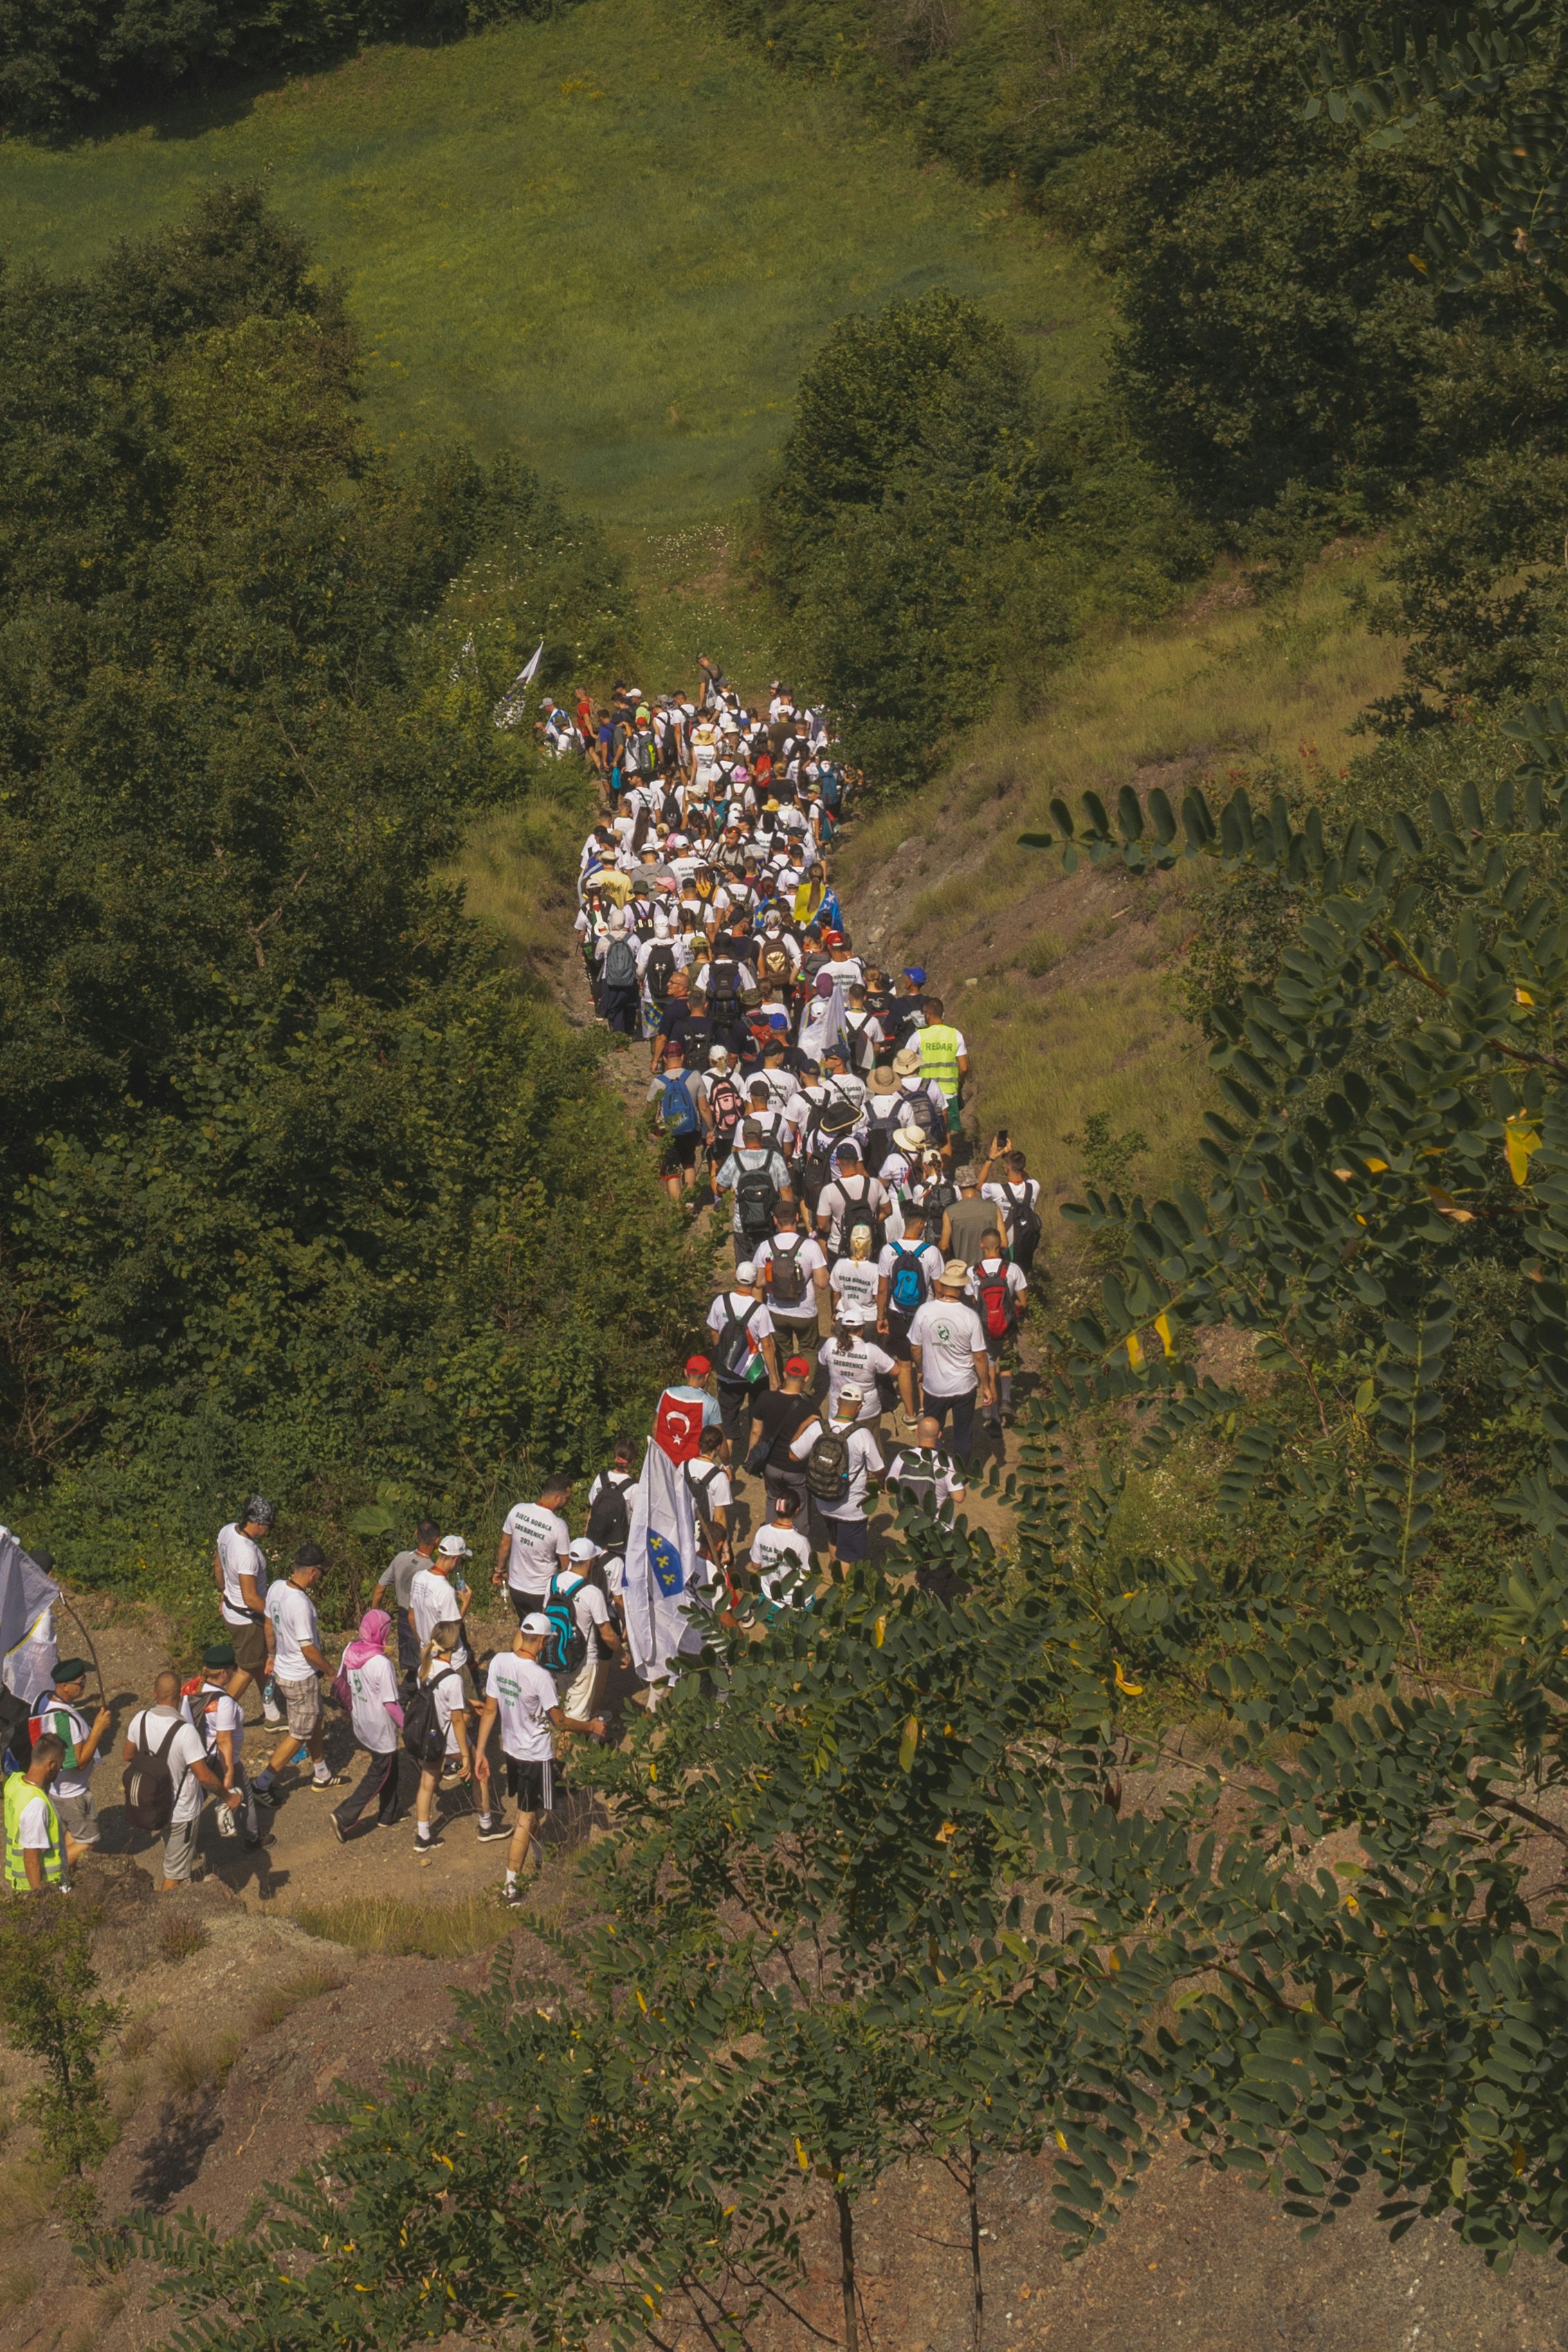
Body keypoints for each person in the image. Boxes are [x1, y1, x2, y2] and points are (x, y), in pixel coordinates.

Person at [473, 1614, 605, 1903]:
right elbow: (560, 1721)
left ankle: (541, 1856)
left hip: (512, 1751)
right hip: (536, 1756)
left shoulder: (498, 1663)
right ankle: (510, 1888)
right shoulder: (540, 1676)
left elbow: (491, 1710)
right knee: (527, 1815)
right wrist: (591, 1726)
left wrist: (481, 1752)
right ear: (544, 1641)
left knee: (531, 1808)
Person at [122, 1670, 235, 1892]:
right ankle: (165, 1916)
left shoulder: (140, 1719)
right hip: (181, 1812)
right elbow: (204, 1776)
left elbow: (127, 1755)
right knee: (173, 1876)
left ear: (154, 1694)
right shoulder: (185, 1732)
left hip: (154, 1803)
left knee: (175, 1859)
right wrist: (228, 1796)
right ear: (180, 1696)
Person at [254, 1545, 343, 1802]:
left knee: (314, 1721)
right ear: (313, 1572)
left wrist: (271, 1655)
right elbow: (309, 1650)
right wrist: (331, 1672)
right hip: (300, 1676)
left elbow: (269, 1624)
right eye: (321, 1572)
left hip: (284, 1667)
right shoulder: (300, 1603)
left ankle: (322, 1773)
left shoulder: (276, 1588)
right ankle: (262, 1783)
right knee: (299, 1733)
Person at [331, 1609, 407, 1841]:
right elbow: (391, 1705)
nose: (390, 1633)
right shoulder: (381, 1664)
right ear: (381, 1632)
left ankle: (388, 1813)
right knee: (379, 1773)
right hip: (380, 1727)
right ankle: (345, 1816)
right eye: (388, 1630)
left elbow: (344, 1682)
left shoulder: (351, 1651)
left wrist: (346, 1709)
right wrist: (409, 1727)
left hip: (361, 1720)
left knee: (389, 1766)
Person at [789, 1387, 886, 1565]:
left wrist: (803, 1426)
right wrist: (883, 1483)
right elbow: (878, 1469)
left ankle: (836, 1580)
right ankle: (846, 1591)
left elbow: (793, 1454)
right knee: (850, 1558)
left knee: (834, 1539)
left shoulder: (818, 1427)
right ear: (859, 1408)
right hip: (851, 1508)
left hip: (823, 1502)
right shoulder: (862, 1434)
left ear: (838, 1402)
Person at [909, 1264, 994, 1463]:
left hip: (934, 1385)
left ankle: (929, 1469)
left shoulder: (925, 1311)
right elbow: (980, 1356)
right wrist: (987, 1386)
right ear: (963, 1287)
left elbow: (915, 1347)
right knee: (963, 1434)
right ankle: (960, 1475)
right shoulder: (970, 1317)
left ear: (944, 1283)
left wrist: (922, 1369)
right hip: (963, 1386)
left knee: (931, 1430)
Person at [181, 1643, 262, 1848]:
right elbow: (224, 1739)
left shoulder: (191, 1689)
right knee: (244, 1797)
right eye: (234, 1669)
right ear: (225, 1673)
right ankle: (253, 1838)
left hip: (197, 1755)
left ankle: (182, 1838)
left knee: (194, 1798)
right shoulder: (224, 1702)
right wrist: (228, 1774)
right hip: (222, 1759)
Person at [29, 1657, 111, 1857]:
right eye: (80, 1683)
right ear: (64, 1686)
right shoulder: (65, 1721)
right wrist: (98, 1729)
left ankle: (67, 1881)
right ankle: (59, 1870)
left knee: (74, 1835)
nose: (85, 1686)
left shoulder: (44, 1700)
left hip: (64, 1789)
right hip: (71, 1794)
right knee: (90, 1841)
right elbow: (80, 1762)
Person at [877, 1204, 945, 1424]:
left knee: (905, 1364)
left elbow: (882, 1289)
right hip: (924, 1314)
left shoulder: (889, 1251)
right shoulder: (931, 1252)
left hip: (898, 1314)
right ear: (921, 1225)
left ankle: (909, 1413)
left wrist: (881, 1316)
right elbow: (940, 1289)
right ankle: (926, 1408)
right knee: (924, 1363)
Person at [412, 1619, 473, 1855]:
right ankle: (488, 1820)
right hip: (449, 1739)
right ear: (455, 1646)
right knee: (479, 1770)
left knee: (427, 1784)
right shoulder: (454, 1679)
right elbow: (457, 1720)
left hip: (430, 1736)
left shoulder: (424, 1669)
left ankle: (423, 1834)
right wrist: (465, 1755)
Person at [553, 1535, 625, 1729]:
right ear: (590, 1562)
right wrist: (622, 1654)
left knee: (568, 1706)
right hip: (584, 1660)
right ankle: (561, 1758)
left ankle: (578, 1750)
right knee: (572, 1721)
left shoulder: (555, 1581)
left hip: (559, 1654)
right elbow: (608, 1634)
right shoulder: (592, 1593)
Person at [706, 1263, 780, 1451]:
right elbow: (767, 1345)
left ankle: (726, 1462)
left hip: (727, 1371)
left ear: (735, 1277)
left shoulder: (720, 1301)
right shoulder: (760, 1310)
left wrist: (723, 1354)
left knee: (728, 1416)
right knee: (757, 1414)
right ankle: (752, 1457)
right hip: (755, 1371)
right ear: (756, 1282)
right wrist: (774, 1377)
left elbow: (714, 1332)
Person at [214, 1497, 273, 1706]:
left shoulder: (227, 1531)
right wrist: (277, 1614)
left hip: (232, 1610)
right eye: (268, 1524)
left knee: (259, 1663)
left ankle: (273, 1711)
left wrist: (224, 1591)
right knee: (246, 1670)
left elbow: (219, 1567)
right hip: (248, 1620)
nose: (269, 1529)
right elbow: (250, 1598)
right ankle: (216, 1715)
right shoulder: (247, 1552)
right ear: (257, 1523)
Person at [745, 1354, 819, 1516]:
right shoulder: (811, 1409)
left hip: (771, 1466)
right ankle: (797, 1537)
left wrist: (751, 1454)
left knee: (773, 1499)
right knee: (800, 1504)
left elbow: (756, 1431)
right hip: (797, 1469)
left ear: (784, 1374)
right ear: (806, 1378)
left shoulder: (765, 1398)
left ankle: (772, 1536)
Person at [967, 1230, 1028, 1424]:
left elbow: (975, 1301)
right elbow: (1023, 1302)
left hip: (984, 1329)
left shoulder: (973, 1271)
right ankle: (1006, 1401)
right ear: (1001, 1245)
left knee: (990, 1365)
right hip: (1008, 1327)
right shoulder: (1013, 1269)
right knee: (1008, 1361)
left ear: (981, 1245)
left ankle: (991, 1410)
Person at [495, 1480, 573, 1625]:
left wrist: (500, 1570)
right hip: (542, 1592)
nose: (568, 1502)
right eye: (567, 1498)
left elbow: (504, 1545)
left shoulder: (518, 1510)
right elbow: (566, 1565)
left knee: (525, 1627)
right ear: (557, 1497)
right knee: (543, 1632)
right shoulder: (558, 1525)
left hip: (516, 1587)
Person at [714, 1118, 792, 1261]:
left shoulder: (734, 1159)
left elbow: (720, 1188)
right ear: (762, 1136)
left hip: (743, 1225)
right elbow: (786, 1190)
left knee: (746, 1268)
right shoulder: (774, 1158)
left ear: (743, 1137)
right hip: (770, 1222)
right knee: (770, 1266)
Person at [753, 1205, 830, 1349]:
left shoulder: (765, 1246)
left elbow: (759, 1282)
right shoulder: (810, 1246)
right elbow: (822, 1283)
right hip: (805, 1311)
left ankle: (784, 1372)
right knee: (809, 1350)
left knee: (782, 1351)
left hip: (776, 1310)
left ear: (775, 1220)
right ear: (797, 1218)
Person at [376, 1521, 439, 1683]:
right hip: (421, 1619)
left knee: (413, 1665)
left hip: (403, 1616)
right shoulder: (432, 1569)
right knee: (425, 1664)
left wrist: (374, 1615)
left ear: (416, 1534)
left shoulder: (400, 1558)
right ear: (437, 1541)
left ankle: (406, 1699)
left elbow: (380, 1587)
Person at [819, 1306, 895, 1429]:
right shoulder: (871, 1350)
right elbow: (895, 1370)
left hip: (838, 1410)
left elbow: (822, 1360)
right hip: (866, 1410)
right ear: (862, 1329)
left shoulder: (831, 1344)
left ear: (842, 1328)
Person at [647, 1039, 704, 1203]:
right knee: (689, 1161)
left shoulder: (658, 1082)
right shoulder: (694, 1076)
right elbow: (704, 1108)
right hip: (691, 1129)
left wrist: (651, 1127)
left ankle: (678, 1211)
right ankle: (689, 1203)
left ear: (664, 1058)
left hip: (669, 1130)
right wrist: (709, 1128)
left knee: (671, 1169)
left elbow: (650, 1110)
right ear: (683, 1056)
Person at [979, 1141, 1043, 1276]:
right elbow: (1025, 1176)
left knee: (1006, 1278)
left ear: (1007, 1167)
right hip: (1026, 1242)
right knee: (1022, 1278)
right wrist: (1012, 1154)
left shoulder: (997, 1190)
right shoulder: (1034, 1187)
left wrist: (991, 1158)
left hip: (1006, 1245)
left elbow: (979, 1185)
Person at [747, 1489, 813, 1613]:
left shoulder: (762, 1532)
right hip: (796, 1601)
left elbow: (755, 1565)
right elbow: (808, 1574)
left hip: (770, 1598)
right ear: (797, 1511)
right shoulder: (801, 1541)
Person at [917, 995, 968, 1136]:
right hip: (949, 1093)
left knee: (927, 1133)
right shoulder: (955, 1035)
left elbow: (908, 1064)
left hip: (926, 1094)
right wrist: (960, 1081)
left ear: (928, 1015)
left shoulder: (919, 1036)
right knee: (949, 1135)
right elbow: (964, 1067)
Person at [686, 1428, 733, 1569]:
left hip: (685, 1531)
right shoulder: (719, 1477)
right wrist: (725, 1548)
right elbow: (720, 1518)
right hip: (707, 1537)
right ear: (718, 1448)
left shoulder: (683, 1466)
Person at [942, 1166, 1003, 1270]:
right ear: (975, 1184)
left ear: (959, 1187)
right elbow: (1004, 1243)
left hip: (964, 1272)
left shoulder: (950, 1212)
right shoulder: (993, 1208)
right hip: (992, 1271)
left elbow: (944, 1246)